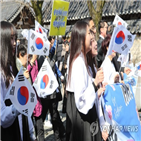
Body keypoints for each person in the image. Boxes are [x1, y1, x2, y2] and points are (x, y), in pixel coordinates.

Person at [66, 21, 104, 141]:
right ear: (82, 37)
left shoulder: (82, 60)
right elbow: (81, 101)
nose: (92, 37)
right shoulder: (78, 62)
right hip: (81, 118)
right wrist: (95, 83)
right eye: (89, 33)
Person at [0, 21, 36, 141]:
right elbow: (2, 117)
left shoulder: (12, 68)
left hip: (22, 131)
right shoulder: (1, 73)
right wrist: (18, 106)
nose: (15, 43)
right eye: (11, 38)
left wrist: (31, 133)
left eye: (15, 38)